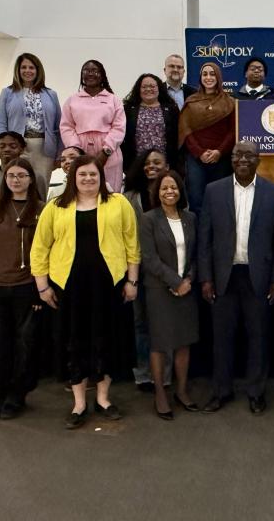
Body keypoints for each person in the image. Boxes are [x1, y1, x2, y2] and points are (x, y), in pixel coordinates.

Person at [31, 155, 140, 429]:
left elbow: (132, 245)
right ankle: (79, 404)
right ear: (72, 178)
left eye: (93, 174)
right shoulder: (56, 207)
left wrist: (132, 282)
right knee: (74, 341)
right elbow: (40, 249)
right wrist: (42, 287)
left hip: (109, 285)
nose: (88, 179)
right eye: (82, 175)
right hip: (69, 287)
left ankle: (103, 399)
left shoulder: (118, 203)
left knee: (106, 339)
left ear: (101, 176)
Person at [198, 142, 274, 415]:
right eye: (238, 155)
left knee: (258, 337)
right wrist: (206, 278)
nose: (243, 159)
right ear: (231, 159)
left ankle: (256, 392)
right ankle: (221, 391)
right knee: (222, 339)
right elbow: (205, 238)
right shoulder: (214, 191)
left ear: (258, 160)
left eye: (249, 155)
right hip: (224, 277)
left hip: (258, 277)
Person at [0, 158, 43, 420]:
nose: (16, 180)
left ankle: (16, 396)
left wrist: (39, 290)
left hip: (27, 287)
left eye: (22, 175)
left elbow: (47, 251)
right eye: (11, 175)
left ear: (31, 179)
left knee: (24, 344)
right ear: (5, 179)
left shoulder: (41, 209)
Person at [140, 171, 199, 419]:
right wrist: (174, 282)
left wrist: (188, 280)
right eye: (164, 188)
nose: (169, 192)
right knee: (160, 343)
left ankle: (182, 391)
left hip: (186, 289)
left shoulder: (191, 218)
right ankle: (161, 393)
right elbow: (149, 258)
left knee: (184, 341)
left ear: (180, 190)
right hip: (159, 290)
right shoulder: (148, 219)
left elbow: (196, 254)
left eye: (173, 187)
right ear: (157, 192)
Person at [123, 148, 171, 392]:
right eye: (147, 162)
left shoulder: (175, 193)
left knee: (166, 324)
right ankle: (144, 373)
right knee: (141, 324)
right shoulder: (130, 196)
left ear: (167, 166)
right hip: (138, 270)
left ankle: (165, 374)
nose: (151, 166)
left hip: (167, 271)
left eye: (157, 162)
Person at [0, 53, 62, 197]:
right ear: (18, 71)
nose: (27, 71)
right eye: (23, 67)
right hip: (17, 147)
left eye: (31, 67)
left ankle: (39, 217)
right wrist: (4, 147)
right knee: (17, 183)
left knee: (40, 185)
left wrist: (59, 154)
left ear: (38, 70)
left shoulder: (51, 94)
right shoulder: (7, 93)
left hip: (43, 148)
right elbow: (1, 123)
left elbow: (58, 126)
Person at [60, 59, 126, 193]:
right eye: (86, 70)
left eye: (94, 70)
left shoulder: (113, 99)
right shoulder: (72, 100)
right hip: (81, 149)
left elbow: (119, 127)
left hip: (109, 150)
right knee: (83, 189)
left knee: (110, 192)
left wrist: (106, 151)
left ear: (102, 75)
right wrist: (77, 151)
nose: (90, 73)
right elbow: (66, 126)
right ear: (81, 75)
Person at [178, 62, 235, 215]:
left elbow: (233, 131)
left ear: (219, 77)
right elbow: (185, 131)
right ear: (200, 77)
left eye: (212, 74)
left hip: (221, 159)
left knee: (220, 202)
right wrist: (200, 153)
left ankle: (218, 238)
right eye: (205, 74)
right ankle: (199, 238)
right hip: (196, 159)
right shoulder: (191, 101)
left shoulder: (229, 102)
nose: (208, 77)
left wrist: (219, 152)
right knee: (196, 202)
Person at [121, 73, 179, 171]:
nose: (148, 89)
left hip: (164, 164)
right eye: (144, 87)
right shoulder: (128, 110)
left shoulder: (171, 109)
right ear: (138, 89)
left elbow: (177, 136)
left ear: (159, 88)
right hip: (137, 164)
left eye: (152, 86)